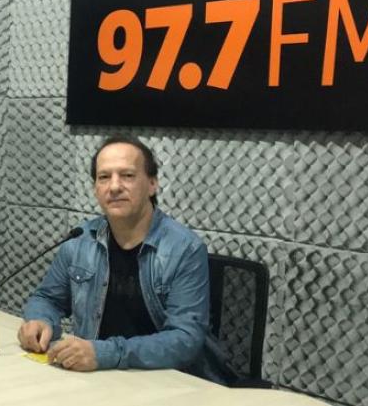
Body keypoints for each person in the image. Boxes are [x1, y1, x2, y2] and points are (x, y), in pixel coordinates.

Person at [17, 136, 227, 382]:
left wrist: (105, 353)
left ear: (152, 184)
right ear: (95, 188)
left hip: (170, 382)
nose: (114, 186)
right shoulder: (80, 240)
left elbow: (185, 339)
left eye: (127, 175)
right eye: (104, 177)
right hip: (96, 378)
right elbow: (47, 298)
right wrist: (40, 320)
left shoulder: (184, 248)